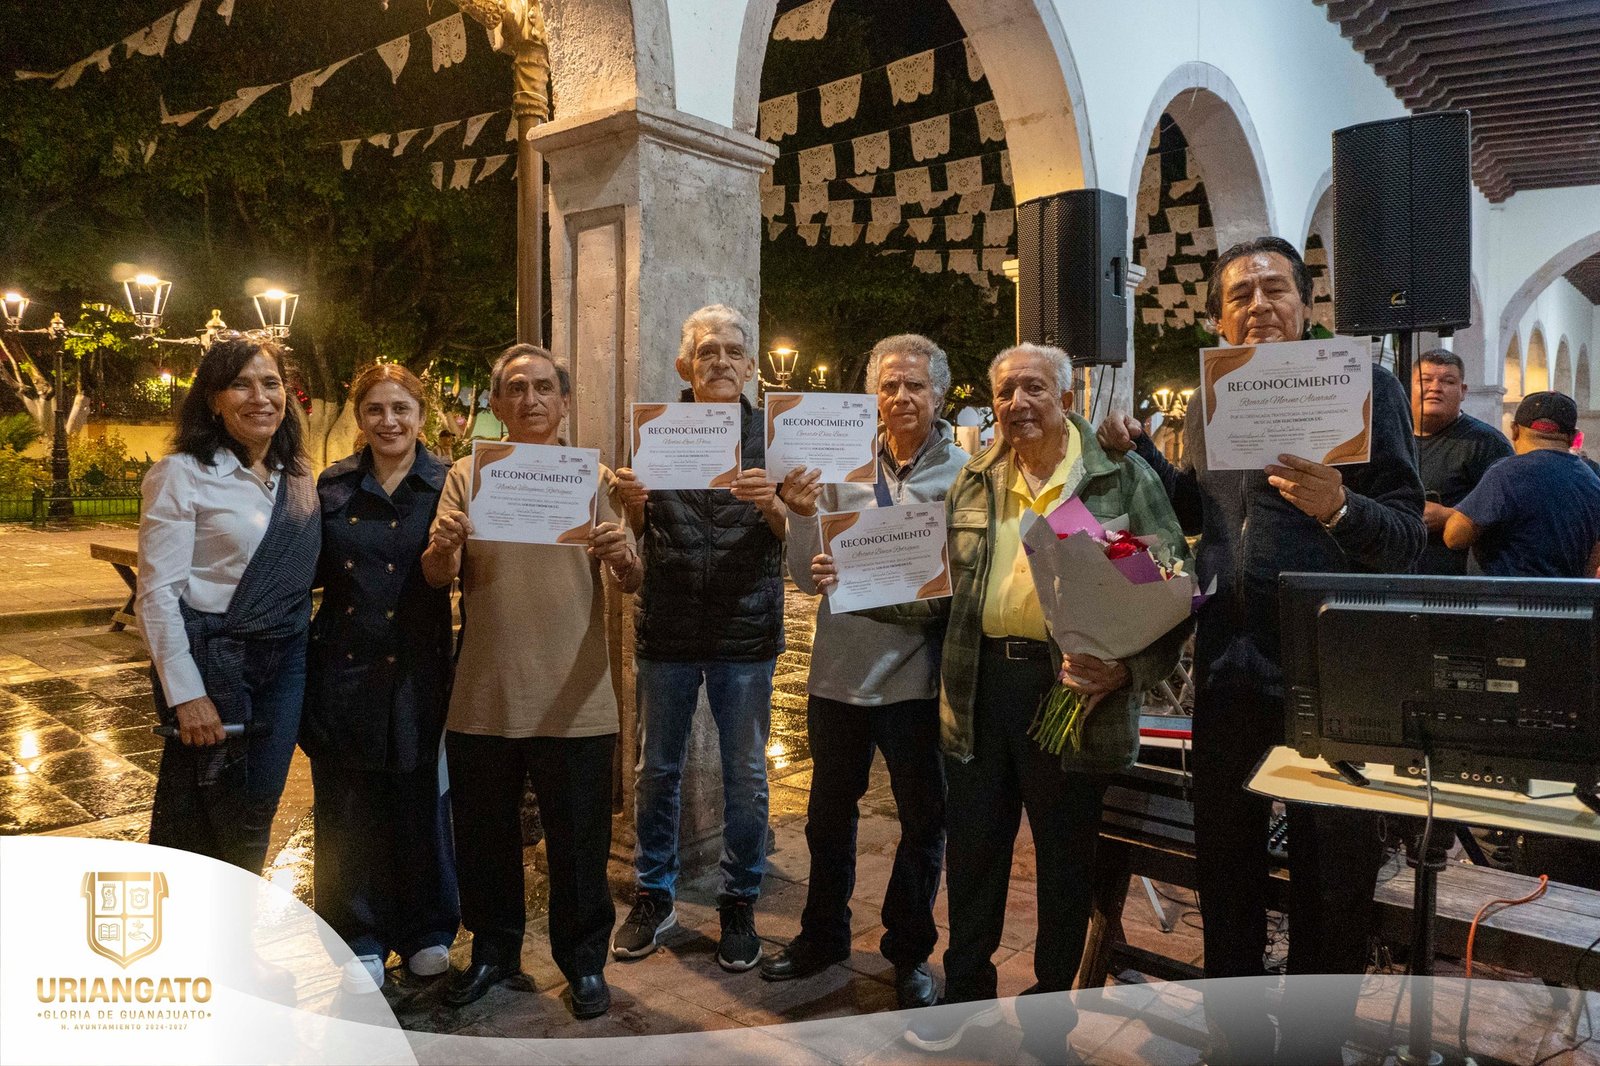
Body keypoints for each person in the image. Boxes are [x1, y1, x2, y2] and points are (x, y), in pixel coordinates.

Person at [1099, 236, 1425, 1064]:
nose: (1258, 305)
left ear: (1307, 304)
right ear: (1219, 316)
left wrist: (1341, 507)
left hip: (1329, 676)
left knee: (1333, 878)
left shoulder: (1365, 389)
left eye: (1275, 289)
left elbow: (1407, 539)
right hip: (1227, 667)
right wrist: (1140, 453)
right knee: (1227, 868)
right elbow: (1200, 518)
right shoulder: (1215, 405)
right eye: (1239, 296)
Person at [906, 343, 1190, 1056]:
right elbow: (933, 593)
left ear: (1065, 398)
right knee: (973, 854)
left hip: (1070, 692)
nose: (1016, 404)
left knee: (1065, 861)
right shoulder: (973, 482)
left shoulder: (1114, 482)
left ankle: (1047, 1019)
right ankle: (965, 994)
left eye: (1033, 387)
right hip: (979, 685)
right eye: (1005, 392)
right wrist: (854, 578)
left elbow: (1167, 595)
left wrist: (1128, 673)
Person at [423, 344, 641, 1017]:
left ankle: (584, 964)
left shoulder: (594, 477)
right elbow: (435, 576)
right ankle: (494, 951)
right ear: (496, 403)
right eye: (515, 389)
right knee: (486, 839)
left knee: (578, 846)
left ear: (565, 402)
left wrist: (624, 552)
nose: (531, 400)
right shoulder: (467, 474)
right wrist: (445, 548)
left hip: (574, 693)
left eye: (544, 387)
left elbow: (632, 577)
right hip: (487, 692)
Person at [763, 334, 968, 1008]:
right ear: (873, 395)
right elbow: (802, 574)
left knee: (923, 821)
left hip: (917, 680)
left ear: (937, 394)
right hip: (837, 678)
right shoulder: (840, 467)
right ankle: (822, 933)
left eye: (914, 385)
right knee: (828, 818)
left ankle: (908, 951)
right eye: (889, 385)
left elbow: (964, 581)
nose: (901, 397)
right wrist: (799, 521)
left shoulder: (963, 475)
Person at [610, 304, 796, 973]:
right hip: (669, 627)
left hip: (745, 632)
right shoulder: (655, 431)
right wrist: (631, 508)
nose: (722, 360)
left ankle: (738, 899)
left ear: (749, 365)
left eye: (734, 350)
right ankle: (654, 895)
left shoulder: (776, 435)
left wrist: (775, 507)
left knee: (746, 776)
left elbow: (798, 544)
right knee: (655, 769)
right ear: (684, 364)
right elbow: (638, 537)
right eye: (708, 350)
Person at [300, 363, 459, 994]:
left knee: (422, 798)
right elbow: (306, 571)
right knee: (346, 806)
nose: (389, 421)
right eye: (375, 410)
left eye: (401, 409)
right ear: (360, 418)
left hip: (421, 668)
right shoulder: (333, 486)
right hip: (345, 667)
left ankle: (428, 929)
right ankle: (356, 932)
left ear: (422, 416)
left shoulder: (449, 483)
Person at [138, 332, 319, 875]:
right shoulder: (182, 474)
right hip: (217, 665)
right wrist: (186, 696)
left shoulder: (300, 477)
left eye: (271, 383)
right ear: (214, 399)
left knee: (257, 804)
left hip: (284, 662)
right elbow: (157, 595)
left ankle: (233, 933)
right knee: (209, 804)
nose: (260, 397)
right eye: (240, 384)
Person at [1443, 390, 1600, 578]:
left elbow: (1455, 537)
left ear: (1514, 429)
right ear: (1573, 436)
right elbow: (1594, 557)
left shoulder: (1507, 473)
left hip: (1510, 599)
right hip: (1566, 600)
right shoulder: (1592, 481)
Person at [1412, 348, 1512, 575]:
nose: (1435, 387)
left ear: (1462, 390)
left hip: (1455, 577)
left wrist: (1450, 516)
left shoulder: (1487, 443)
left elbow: (1510, 513)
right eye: (1425, 380)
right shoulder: (1392, 435)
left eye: (1447, 381)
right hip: (1392, 574)